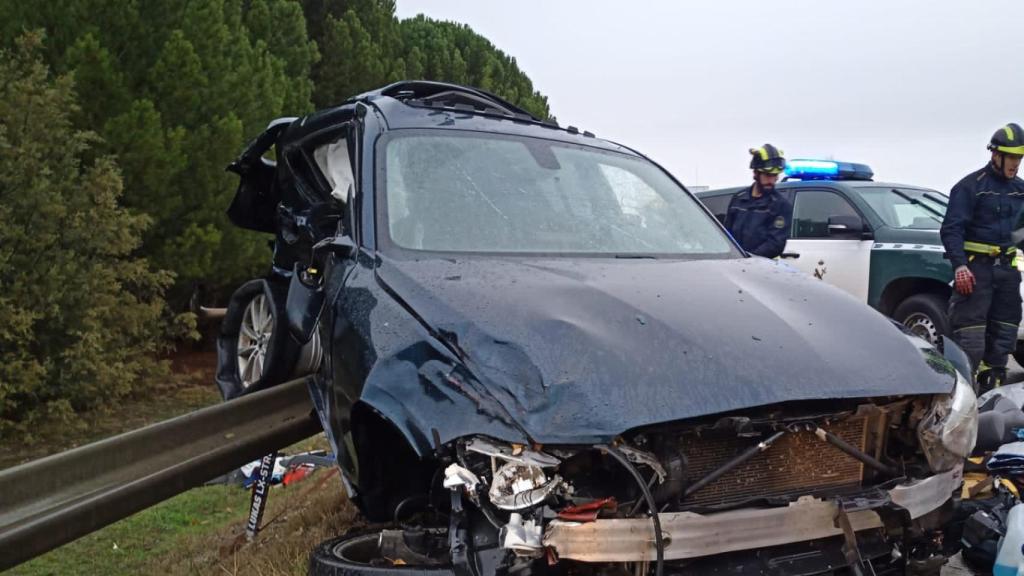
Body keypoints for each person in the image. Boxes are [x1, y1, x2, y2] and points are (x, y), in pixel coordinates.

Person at [940, 123, 1024, 392]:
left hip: (1007, 276)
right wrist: (960, 266)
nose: (1016, 164)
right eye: (1011, 157)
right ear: (995, 155)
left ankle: (992, 397)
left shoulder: (1021, 191)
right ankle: (959, 400)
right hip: (977, 275)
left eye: (1019, 159)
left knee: (1003, 342)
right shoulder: (969, 187)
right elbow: (951, 230)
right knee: (971, 343)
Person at [724, 144, 793, 259]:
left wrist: (748, 259)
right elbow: (726, 235)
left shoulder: (780, 205)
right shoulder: (738, 199)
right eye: (767, 175)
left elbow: (775, 244)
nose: (772, 180)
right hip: (735, 266)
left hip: (762, 269)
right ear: (756, 173)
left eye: (775, 175)